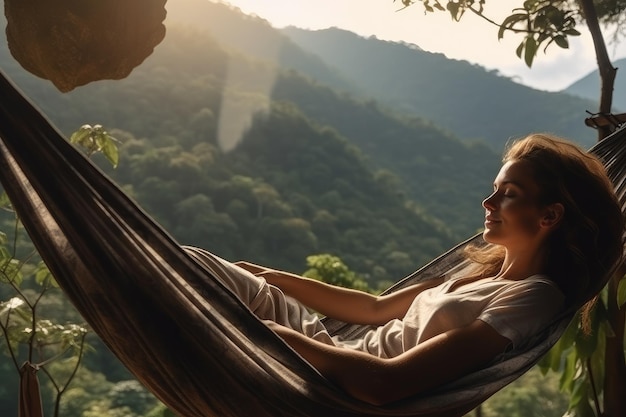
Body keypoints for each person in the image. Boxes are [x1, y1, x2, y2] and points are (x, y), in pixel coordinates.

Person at [187, 132, 624, 406]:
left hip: (334, 385)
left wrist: (275, 338)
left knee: (190, 289)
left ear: (549, 216)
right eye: (493, 190)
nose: (488, 204)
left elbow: (389, 385)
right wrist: (274, 277)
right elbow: (375, 309)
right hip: (322, 348)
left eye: (508, 194)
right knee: (193, 267)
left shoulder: (533, 297)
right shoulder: (478, 276)